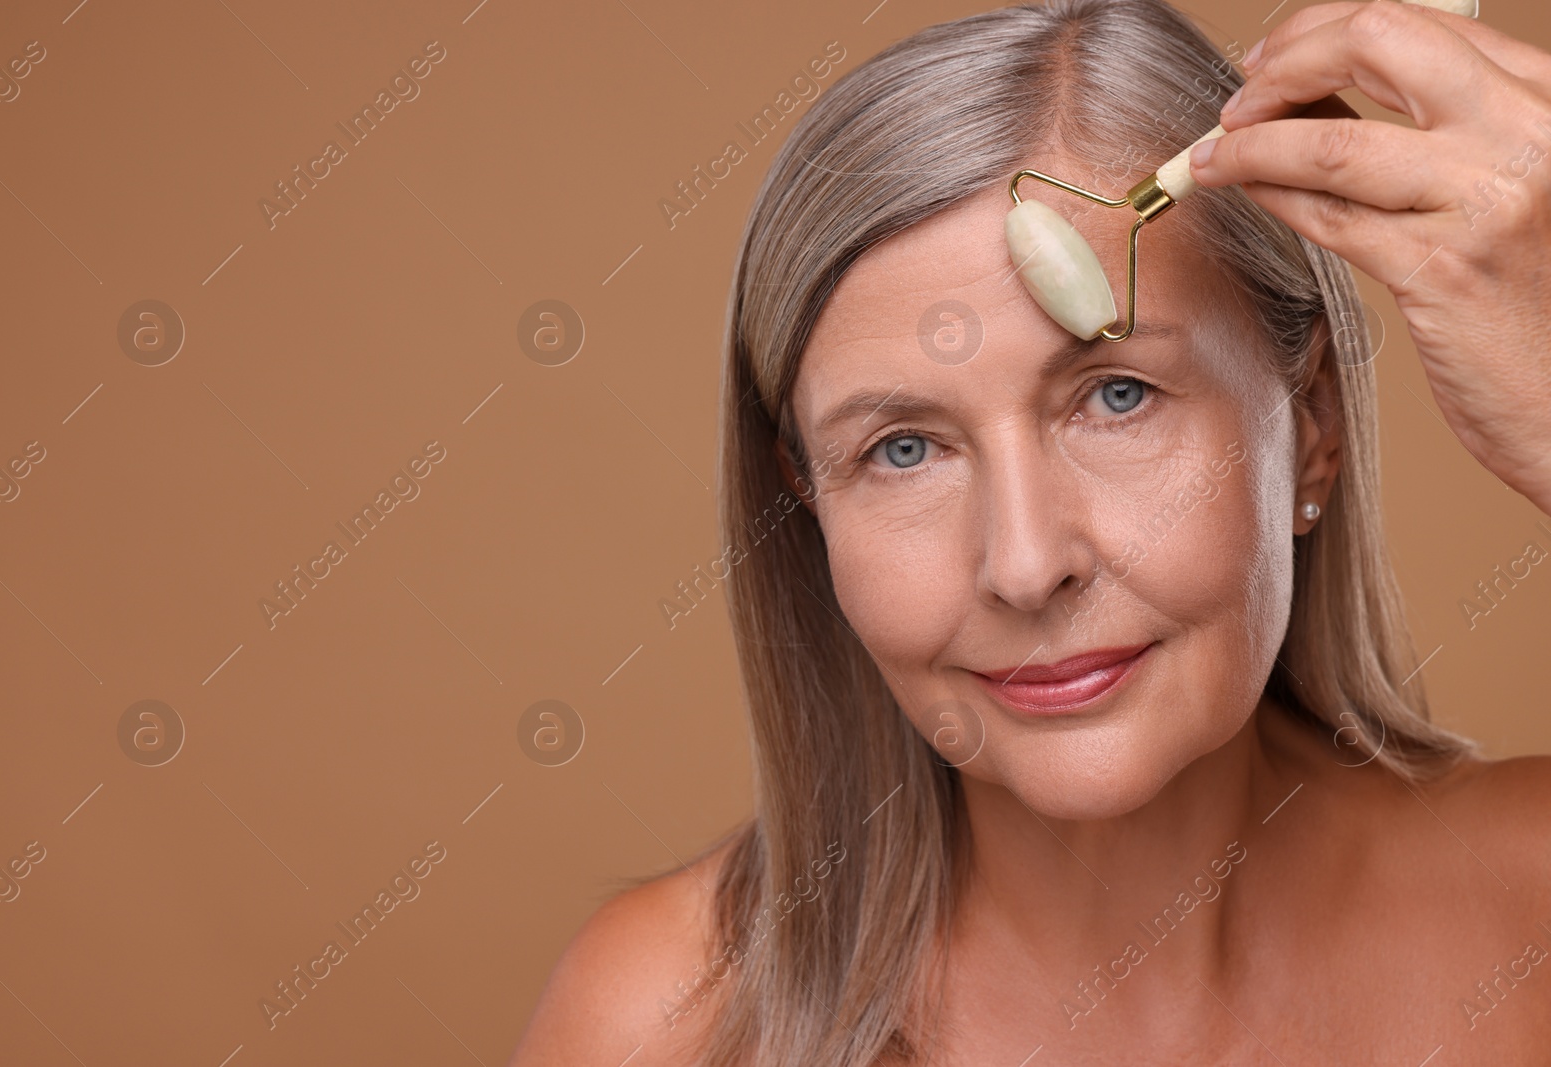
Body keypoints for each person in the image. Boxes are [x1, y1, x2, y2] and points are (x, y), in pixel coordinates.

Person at [509, 1, 1551, 1063]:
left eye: (1114, 396)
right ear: (807, 499)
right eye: (903, 448)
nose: (1023, 563)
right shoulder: (658, 1016)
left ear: (1314, 424)